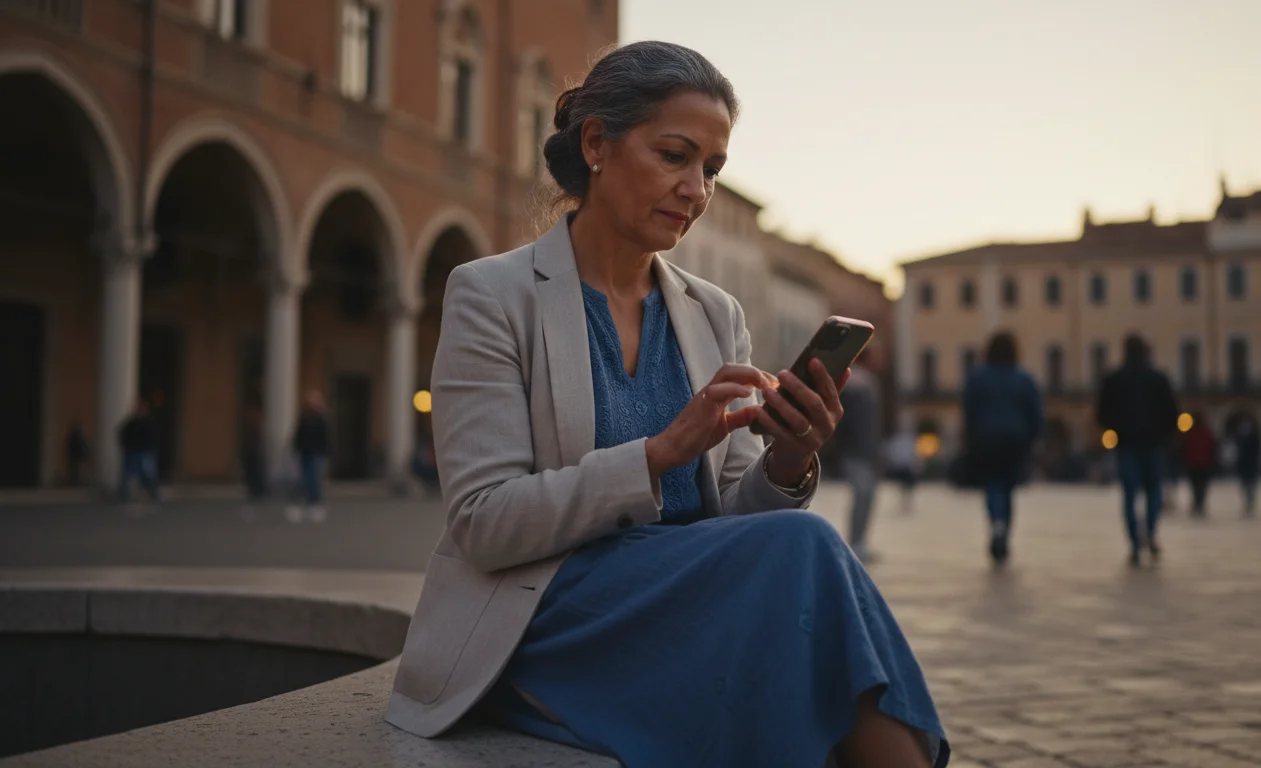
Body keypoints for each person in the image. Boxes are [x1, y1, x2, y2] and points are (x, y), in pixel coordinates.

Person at [384, 42, 947, 768]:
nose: (697, 190)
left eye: (711, 169)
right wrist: (657, 456)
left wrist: (789, 455)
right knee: (809, 562)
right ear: (597, 144)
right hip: (550, 615)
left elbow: (738, 531)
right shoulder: (493, 295)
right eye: (675, 156)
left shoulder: (715, 314)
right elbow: (484, 522)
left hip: (688, 604)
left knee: (805, 587)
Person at [1096, 334, 1180, 565]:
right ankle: (1151, 531)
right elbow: (1172, 412)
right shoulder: (1158, 378)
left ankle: (1134, 541)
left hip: (1127, 444)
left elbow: (1102, 414)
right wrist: (1165, 433)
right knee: (1154, 490)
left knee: (1130, 493)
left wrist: (1116, 427)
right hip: (1153, 443)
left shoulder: (1114, 379)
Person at [961, 332, 1042, 565]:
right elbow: (1034, 411)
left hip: (985, 438)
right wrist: (1034, 438)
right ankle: (1004, 529)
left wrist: (968, 437)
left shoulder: (978, 376)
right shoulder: (1024, 378)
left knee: (992, 485)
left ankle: (995, 523)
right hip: (1016, 439)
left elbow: (969, 409)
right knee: (1008, 487)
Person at [836, 347, 884, 563]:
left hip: (864, 450)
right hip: (856, 450)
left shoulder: (867, 383)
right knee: (863, 494)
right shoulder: (856, 383)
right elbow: (848, 421)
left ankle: (859, 540)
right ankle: (855, 542)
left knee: (867, 496)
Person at [287, 391, 329, 523]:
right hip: (304, 452)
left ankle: (314, 505)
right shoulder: (304, 418)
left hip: (316, 453)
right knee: (302, 478)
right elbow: (298, 436)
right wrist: (295, 450)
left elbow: (326, 438)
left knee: (314, 479)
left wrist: (326, 452)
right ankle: (298, 505)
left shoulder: (321, 419)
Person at [117, 400, 160, 503]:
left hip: (145, 452)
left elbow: (154, 437)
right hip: (133, 452)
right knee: (128, 475)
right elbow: (123, 434)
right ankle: (123, 496)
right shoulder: (131, 423)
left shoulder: (148, 423)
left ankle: (153, 495)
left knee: (148, 475)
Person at [1180, 414, 1218, 517]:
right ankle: (1200, 503)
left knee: (1195, 485)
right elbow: (1213, 447)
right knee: (1203, 485)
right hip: (1204, 463)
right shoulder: (1207, 433)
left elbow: (1184, 448)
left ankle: (1197, 502)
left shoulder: (1190, 434)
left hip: (1193, 464)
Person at [884, 423, 920, 514]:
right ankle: (905, 501)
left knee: (907, 486)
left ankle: (906, 501)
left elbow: (914, 454)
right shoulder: (899, 441)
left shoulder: (909, 441)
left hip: (906, 466)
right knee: (904, 486)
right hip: (902, 466)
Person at [1232, 418, 1261, 516]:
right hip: (1245, 466)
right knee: (1246, 485)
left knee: (1250, 485)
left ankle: (1249, 501)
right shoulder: (1241, 438)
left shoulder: (1252, 438)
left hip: (1250, 466)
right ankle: (1248, 501)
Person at [65, 421, 89, 487]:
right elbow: (81, 445)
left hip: (75, 454)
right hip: (76, 454)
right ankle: (74, 481)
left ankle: (74, 481)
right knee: (75, 469)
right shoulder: (77, 436)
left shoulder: (74, 435)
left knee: (74, 469)